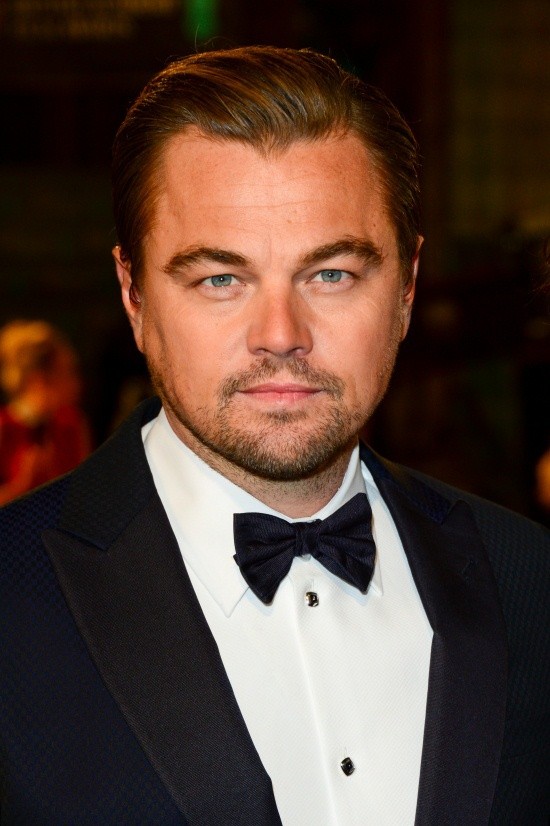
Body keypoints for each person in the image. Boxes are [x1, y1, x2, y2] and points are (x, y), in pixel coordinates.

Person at [0, 47, 548, 826]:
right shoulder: (13, 597)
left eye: (332, 274)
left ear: (407, 288)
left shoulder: (529, 579)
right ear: (133, 296)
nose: (282, 334)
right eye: (220, 279)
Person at [0, 319, 90, 504]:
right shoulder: (4, 427)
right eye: (66, 372)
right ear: (38, 380)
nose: (76, 383)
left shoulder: (71, 424)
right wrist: (22, 485)